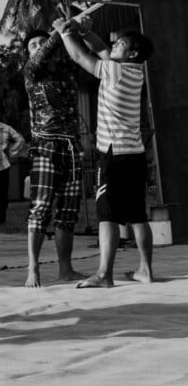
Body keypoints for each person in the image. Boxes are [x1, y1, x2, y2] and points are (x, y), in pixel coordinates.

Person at [53, 19, 155, 288]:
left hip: (113, 155)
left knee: (106, 215)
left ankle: (104, 275)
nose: (113, 45)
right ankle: (145, 270)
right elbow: (101, 50)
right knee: (137, 215)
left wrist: (65, 31)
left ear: (131, 53)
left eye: (120, 43)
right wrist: (84, 31)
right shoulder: (136, 71)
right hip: (135, 153)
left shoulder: (114, 72)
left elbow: (79, 55)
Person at [23, 29, 87, 288]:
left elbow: (83, 56)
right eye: (32, 45)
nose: (38, 47)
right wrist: (58, 31)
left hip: (71, 146)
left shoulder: (66, 71)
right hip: (45, 145)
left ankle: (66, 269)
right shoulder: (31, 72)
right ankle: (33, 268)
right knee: (40, 209)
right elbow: (40, 58)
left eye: (41, 43)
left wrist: (75, 31)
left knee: (69, 211)